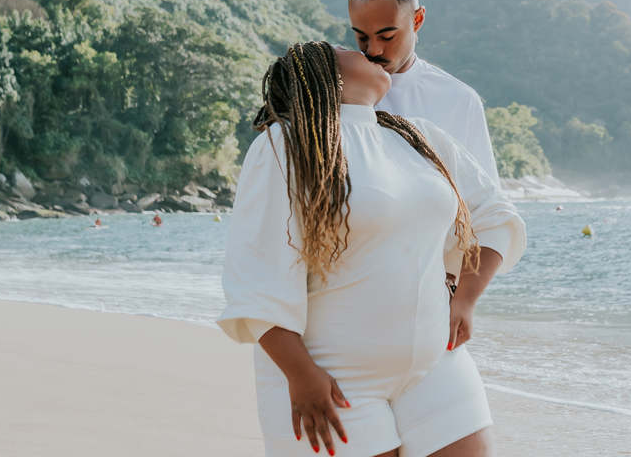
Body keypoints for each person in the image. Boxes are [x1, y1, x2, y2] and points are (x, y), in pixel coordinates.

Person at [218, 42, 525, 457]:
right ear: (323, 73)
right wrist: (300, 374)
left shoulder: (418, 136)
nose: (367, 49)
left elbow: (495, 216)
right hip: (329, 376)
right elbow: (255, 278)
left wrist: (466, 298)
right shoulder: (288, 143)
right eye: (348, 47)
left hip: (437, 367)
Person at [347, 0, 499, 187]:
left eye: (387, 36)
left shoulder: (461, 102)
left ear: (417, 20)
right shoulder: (335, 92)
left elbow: (487, 200)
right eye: (362, 37)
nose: (373, 50)